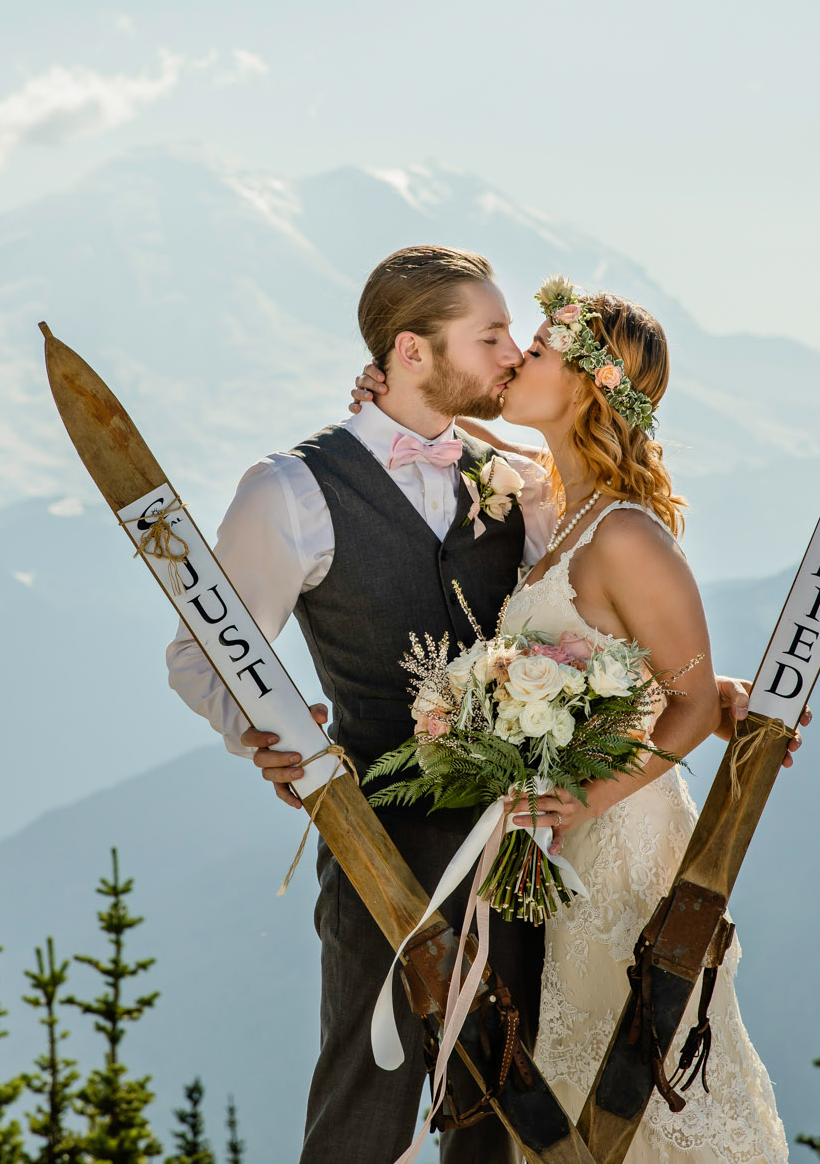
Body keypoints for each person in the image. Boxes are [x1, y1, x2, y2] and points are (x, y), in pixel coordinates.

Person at [350, 277, 795, 1162]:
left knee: (627, 1086)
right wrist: (394, 405)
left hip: (616, 846)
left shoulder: (626, 534)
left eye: (540, 351)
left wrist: (592, 798)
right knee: (562, 1085)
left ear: (589, 387)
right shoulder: (559, 503)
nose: (517, 357)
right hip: (557, 853)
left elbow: (692, 700)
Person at [167, 245, 552, 1164]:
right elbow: (199, 652)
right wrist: (275, 736)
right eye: (490, 335)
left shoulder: (514, 480)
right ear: (413, 352)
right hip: (376, 841)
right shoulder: (290, 489)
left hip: (516, 852)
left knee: (500, 1116)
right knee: (363, 1108)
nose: (511, 353)